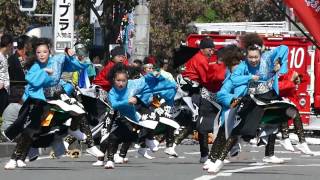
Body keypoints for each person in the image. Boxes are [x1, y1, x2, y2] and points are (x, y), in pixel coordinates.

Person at [4, 38, 102, 169]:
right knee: (31, 130)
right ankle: (15, 158)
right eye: (39, 52)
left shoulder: (58, 59)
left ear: (49, 50)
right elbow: (32, 81)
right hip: (39, 101)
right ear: (35, 53)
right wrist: (43, 72)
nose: (42, 54)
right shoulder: (35, 67)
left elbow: (74, 65)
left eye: (44, 51)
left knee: (79, 112)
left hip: (57, 99)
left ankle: (85, 141)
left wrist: (75, 56)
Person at [7, 35, 33, 103]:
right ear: (26, 45)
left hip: (28, 91)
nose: (31, 46)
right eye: (30, 43)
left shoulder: (29, 59)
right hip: (17, 95)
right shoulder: (12, 59)